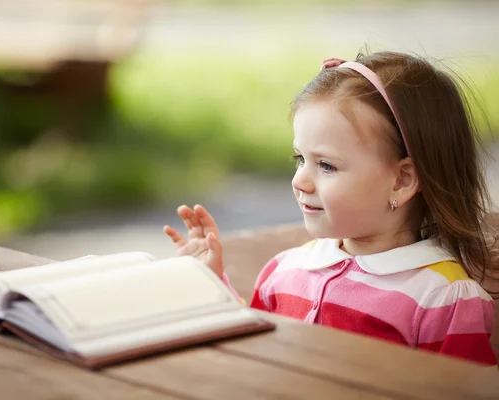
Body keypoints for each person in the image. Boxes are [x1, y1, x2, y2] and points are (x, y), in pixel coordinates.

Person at [163, 51, 499, 366]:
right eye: (300, 159)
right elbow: (255, 360)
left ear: (401, 180)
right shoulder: (285, 272)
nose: (300, 182)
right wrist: (211, 282)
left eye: (326, 166)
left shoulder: (443, 299)